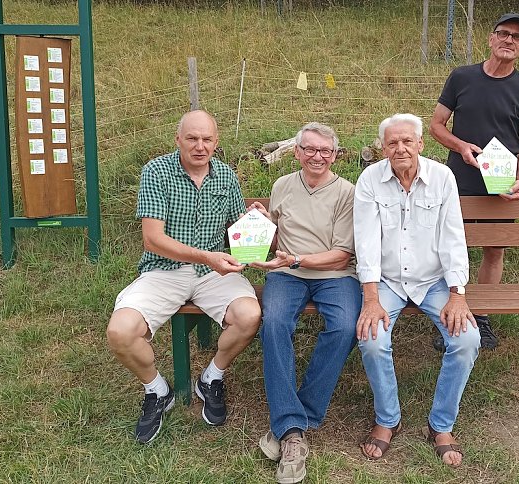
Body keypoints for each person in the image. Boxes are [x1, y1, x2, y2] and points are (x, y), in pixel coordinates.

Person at [106, 110, 262, 444]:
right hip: (165, 270)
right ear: (178, 139)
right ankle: (157, 389)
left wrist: (253, 220)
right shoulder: (157, 171)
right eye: (192, 138)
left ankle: (211, 377)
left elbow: (237, 227)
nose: (199, 146)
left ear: (216, 142)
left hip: (214, 273)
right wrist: (206, 255)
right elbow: (153, 239)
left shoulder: (225, 176)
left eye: (207, 139)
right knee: (120, 332)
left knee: (250, 316)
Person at [354, 113, 480, 467]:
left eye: (407, 141)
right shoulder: (369, 181)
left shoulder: (442, 177)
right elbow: (364, 242)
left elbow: (454, 236)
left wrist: (458, 294)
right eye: (392, 143)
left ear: (421, 144)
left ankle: (440, 425)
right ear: (383, 148)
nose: (400, 148)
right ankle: (387, 419)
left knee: (468, 339)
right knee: (372, 338)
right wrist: (371, 298)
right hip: (388, 282)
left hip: (434, 281)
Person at [248, 122, 360, 484]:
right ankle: (293, 430)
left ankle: (296, 418)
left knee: (345, 326)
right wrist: (266, 225)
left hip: (333, 276)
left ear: (334, 155)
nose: (317, 157)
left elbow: (343, 255)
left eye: (325, 151)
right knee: (275, 323)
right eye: (309, 149)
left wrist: (296, 260)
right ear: (296, 151)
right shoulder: (282, 185)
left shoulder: (347, 192)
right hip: (286, 274)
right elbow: (279, 240)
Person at [430, 12, 519, 351]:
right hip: (458, 181)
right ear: (491, 39)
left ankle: (482, 316)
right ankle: (451, 314)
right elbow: (436, 126)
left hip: (500, 185)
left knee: (494, 249)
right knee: (453, 250)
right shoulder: (461, 77)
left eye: (517, 37)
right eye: (503, 33)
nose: (509, 40)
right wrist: (461, 146)